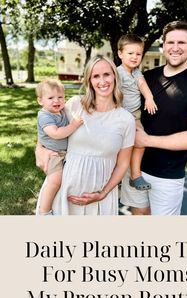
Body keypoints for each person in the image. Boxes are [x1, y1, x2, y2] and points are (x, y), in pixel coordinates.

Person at [120, 20, 187, 215]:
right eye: (170, 42)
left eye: (181, 43)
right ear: (163, 45)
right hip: (134, 168)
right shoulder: (147, 77)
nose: (175, 48)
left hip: (167, 176)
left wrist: (146, 140)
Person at [36, 55, 136, 215]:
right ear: (89, 80)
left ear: (115, 76)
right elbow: (47, 129)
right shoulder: (75, 105)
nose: (102, 81)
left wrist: (102, 193)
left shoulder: (126, 120)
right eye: (96, 76)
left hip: (101, 201)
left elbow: (123, 164)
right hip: (63, 193)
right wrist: (39, 150)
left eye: (107, 74)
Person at [36, 79, 84, 215]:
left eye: (60, 97)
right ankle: (44, 211)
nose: (56, 101)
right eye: (50, 98)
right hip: (53, 155)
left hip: (63, 153)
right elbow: (55, 133)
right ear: (40, 101)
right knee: (55, 181)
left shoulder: (61, 111)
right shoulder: (45, 116)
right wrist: (74, 125)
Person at [117, 34, 157, 191]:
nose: (134, 57)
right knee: (118, 146)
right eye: (130, 53)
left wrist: (149, 98)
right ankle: (115, 175)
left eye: (138, 54)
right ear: (120, 54)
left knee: (141, 142)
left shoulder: (136, 72)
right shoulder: (117, 73)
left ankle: (135, 175)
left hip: (135, 115)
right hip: (120, 115)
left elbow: (142, 84)